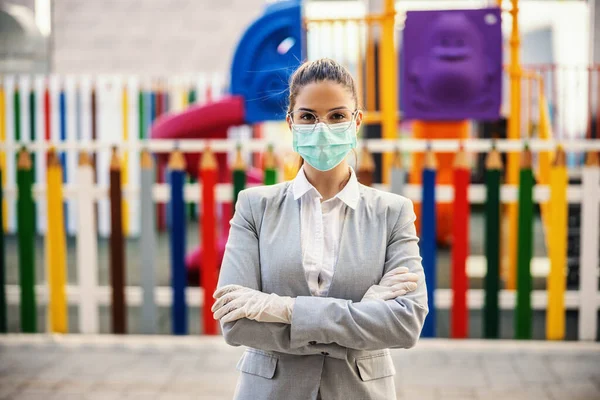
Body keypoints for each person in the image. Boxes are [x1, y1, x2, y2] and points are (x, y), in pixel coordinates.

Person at [211, 58, 428, 400]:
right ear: (291, 122)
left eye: (337, 116)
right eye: (308, 116)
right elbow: (235, 322)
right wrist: (363, 313)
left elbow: (405, 323)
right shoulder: (255, 207)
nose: (322, 127)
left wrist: (283, 309)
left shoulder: (393, 213)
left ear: (356, 121)